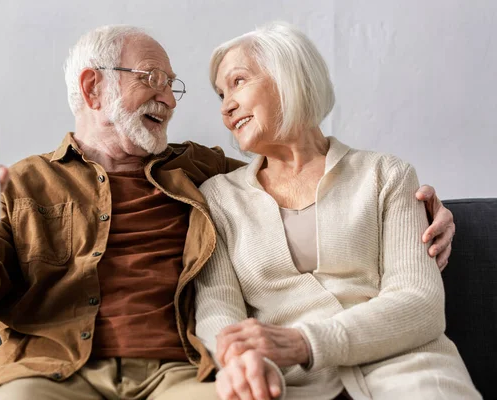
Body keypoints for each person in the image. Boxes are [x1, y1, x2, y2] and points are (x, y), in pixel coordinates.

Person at [0, 25, 455, 400]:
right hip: (50, 372)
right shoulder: (25, 182)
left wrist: (422, 208)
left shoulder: (206, 174)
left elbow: (297, 167)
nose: (170, 100)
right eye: (150, 78)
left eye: (172, 86)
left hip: (180, 372)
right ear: (92, 86)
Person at [194, 21, 479, 400]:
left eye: (238, 82)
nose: (226, 107)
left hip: (408, 368)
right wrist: (240, 360)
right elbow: (217, 308)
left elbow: (420, 303)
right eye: (220, 95)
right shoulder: (218, 196)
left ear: (288, 76)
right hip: (289, 383)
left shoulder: (386, 174)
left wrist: (305, 342)